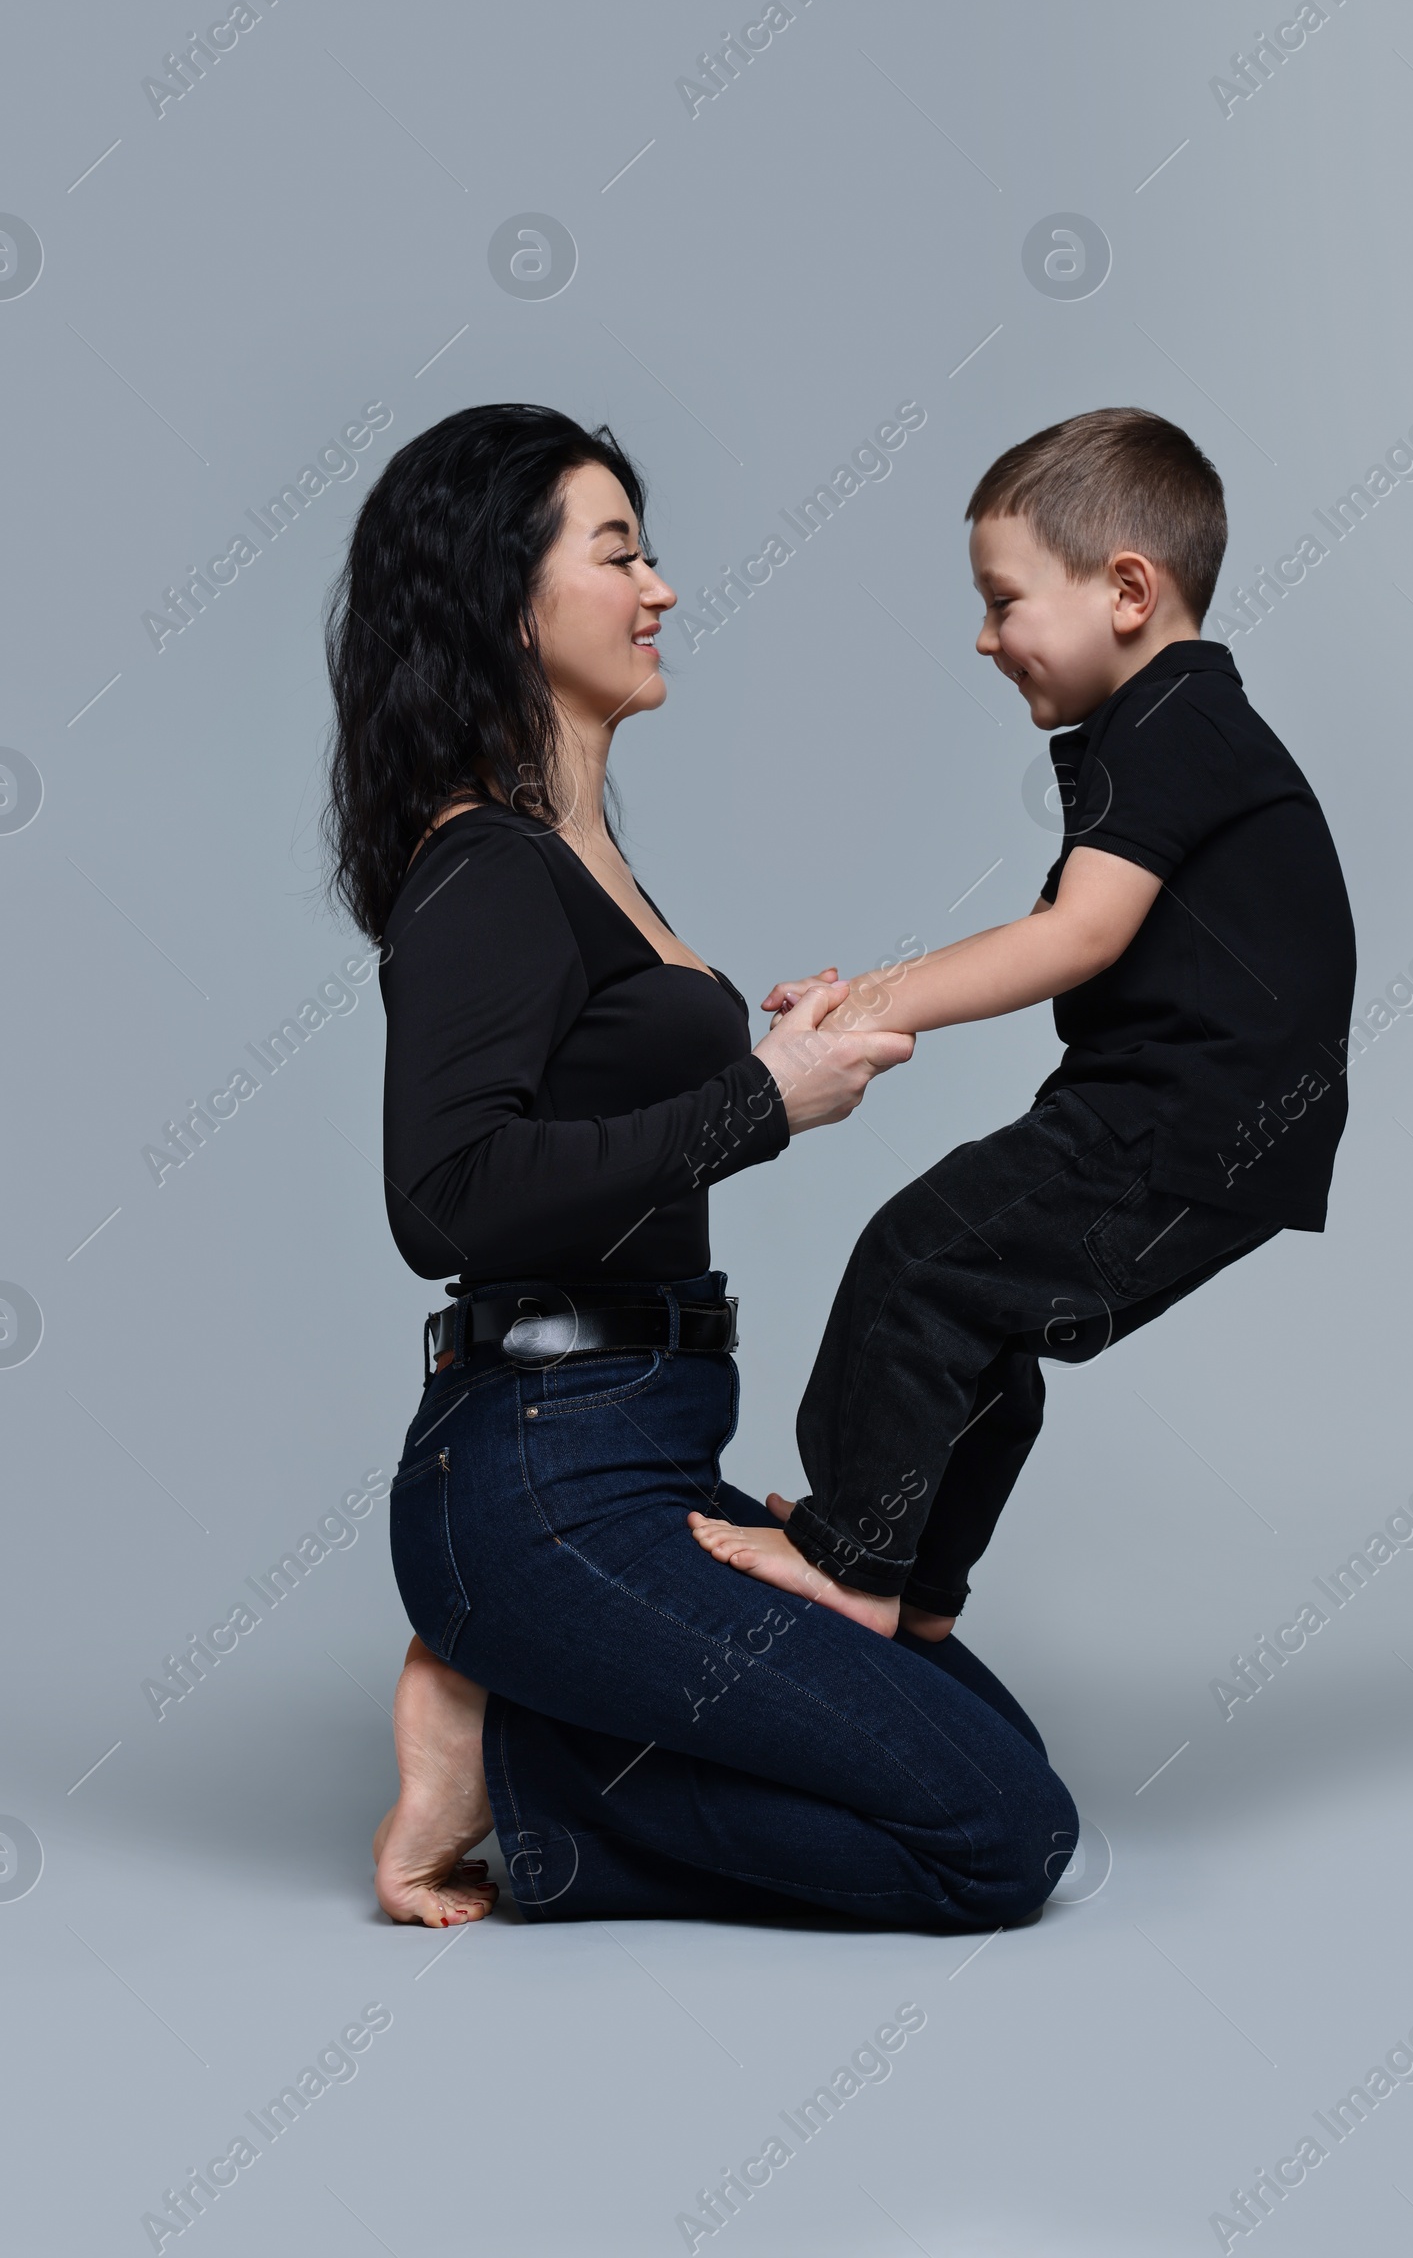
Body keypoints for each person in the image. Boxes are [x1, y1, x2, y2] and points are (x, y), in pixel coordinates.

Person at [322, 401, 1080, 1928]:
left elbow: (618, 1111)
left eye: (649, 552)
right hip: (538, 1484)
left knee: (985, 1743)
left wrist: (788, 1051)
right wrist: (757, 1099)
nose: (660, 589)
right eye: (618, 555)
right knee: (999, 1840)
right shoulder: (483, 867)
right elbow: (446, 1198)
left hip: (647, 1451)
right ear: (502, 600)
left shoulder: (586, 855)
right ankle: (518, 1765)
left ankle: (524, 1729)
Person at [690, 408, 1358, 1637]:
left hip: (1174, 1124)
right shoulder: (1168, 730)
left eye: (1004, 602)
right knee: (982, 1323)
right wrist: (860, 997)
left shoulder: (1172, 721)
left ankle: (853, 1562)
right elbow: (1065, 928)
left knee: (915, 1263)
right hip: (1196, 1130)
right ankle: (915, 1588)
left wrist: (874, 1000)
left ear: (1125, 590)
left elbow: (1070, 942)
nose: (983, 638)